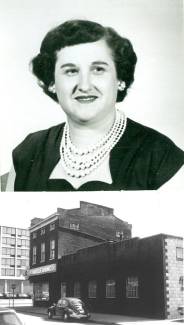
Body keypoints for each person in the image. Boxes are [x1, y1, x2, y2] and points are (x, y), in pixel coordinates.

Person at [6, 19, 184, 191]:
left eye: (98, 69)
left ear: (120, 78)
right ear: (52, 82)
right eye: (71, 71)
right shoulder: (28, 151)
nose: (84, 85)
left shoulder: (160, 156)